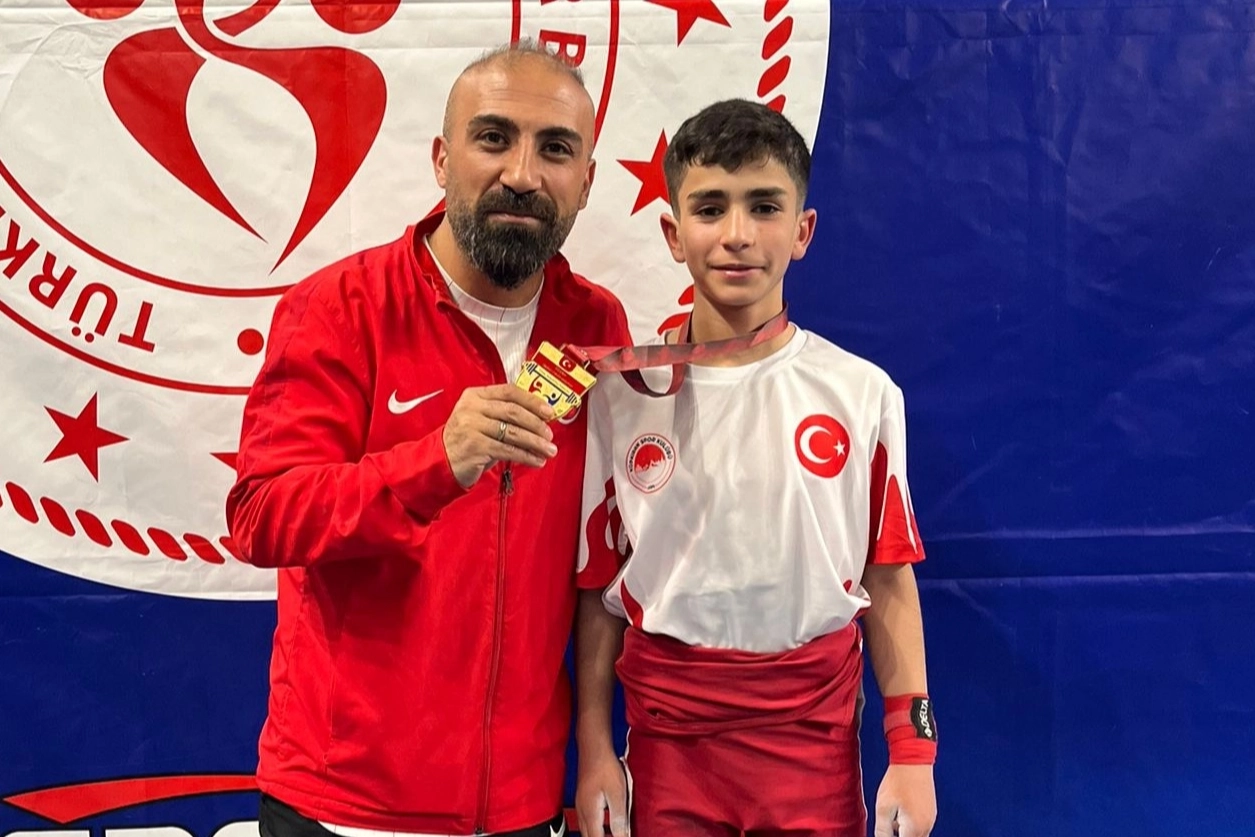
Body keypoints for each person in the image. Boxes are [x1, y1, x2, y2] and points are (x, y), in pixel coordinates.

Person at [226, 40, 631, 837]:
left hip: (518, 802)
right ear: (442, 160)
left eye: (554, 149)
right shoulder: (340, 307)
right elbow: (261, 516)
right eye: (493, 138)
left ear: (585, 182)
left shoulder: (594, 325)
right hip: (346, 804)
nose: (521, 173)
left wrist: (593, 745)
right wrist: (433, 463)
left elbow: (598, 560)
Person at [572, 99, 938, 837]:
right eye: (710, 208)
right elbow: (597, 590)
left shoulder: (861, 394)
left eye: (764, 206)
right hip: (670, 751)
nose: (736, 234)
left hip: (811, 752)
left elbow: (888, 575)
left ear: (802, 230)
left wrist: (913, 750)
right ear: (674, 233)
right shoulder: (620, 396)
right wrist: (593, 753)